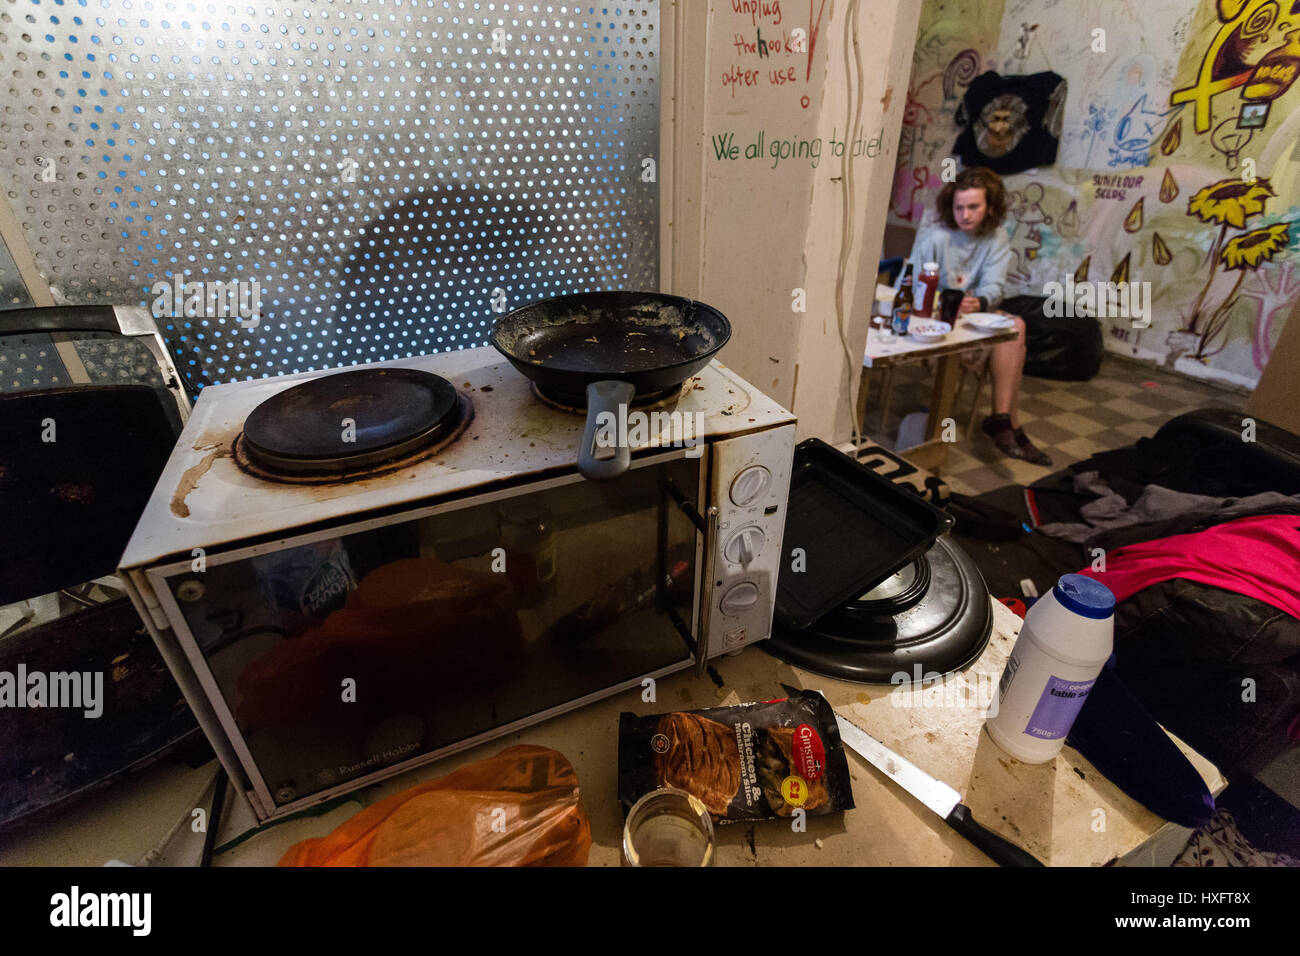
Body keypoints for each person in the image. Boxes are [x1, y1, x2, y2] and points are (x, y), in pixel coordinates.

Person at [907, 166, 1051, 466]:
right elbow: (913, 286)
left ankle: (1002, 419)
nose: (965, 215)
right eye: (959, 207)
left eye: (974, 206)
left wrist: (979, 302)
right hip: (936, 320)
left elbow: (994, 288)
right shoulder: (937, 237)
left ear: (990, 207)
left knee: (1017, 326)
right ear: (951, 206)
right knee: (1018, 334)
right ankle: (1008, 422)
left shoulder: (995, 237)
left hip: (973, 317)